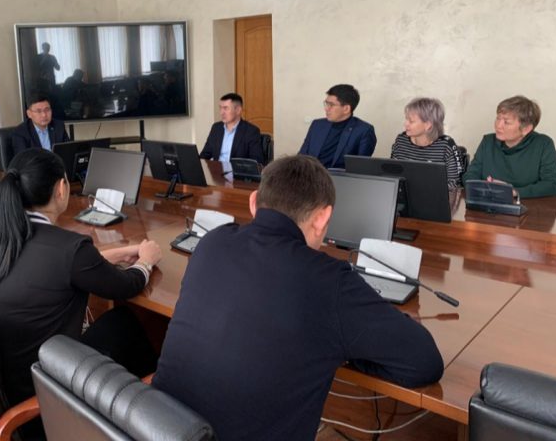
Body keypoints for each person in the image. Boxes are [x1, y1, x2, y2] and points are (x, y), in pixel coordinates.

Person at [153, 155, 443, 441]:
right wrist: (345, 348)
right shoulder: (330, 281)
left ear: (254, 202)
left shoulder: (211, 242)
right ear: (323, 217)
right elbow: (424, 362)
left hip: (158, 428)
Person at [0, 148, 161, 428]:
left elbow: (53, 266)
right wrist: (146, 261)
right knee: (123, 322)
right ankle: (150, 415)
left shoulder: (0, 238)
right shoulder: (69, 248)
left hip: (14, 382)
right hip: (49, 391)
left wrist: (112, 255)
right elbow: (127, 285)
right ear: (61, 188)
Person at [462, 95, 556, 199]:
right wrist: (484, 189)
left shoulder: (543, 144)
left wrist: (513, 192)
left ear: (526, 129)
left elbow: (552, 185)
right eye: (498, 118)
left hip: (530, 206)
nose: (498, 125)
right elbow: (470, 175)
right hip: (489, 202)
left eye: (506, 122)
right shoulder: (488, 142)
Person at [391, 97, 464, 189]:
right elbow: (392, 174)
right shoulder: (401, 140)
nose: (405, 124)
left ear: (428, 125)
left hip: (435, 195)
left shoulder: (446, 145)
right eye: (406, 119)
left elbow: (455, 183)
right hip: (404, 194)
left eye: (411, 121)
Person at [299, 84, 376, 169]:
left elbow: (360, 168)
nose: (326, 109)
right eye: (326, 103)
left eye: (331, 105)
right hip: (311, 174)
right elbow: (301, 157)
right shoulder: (317, 125)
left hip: (339, 177)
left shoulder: (364, 131)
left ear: (346, 109)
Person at [199, 93, 263, 164]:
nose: (222, 112)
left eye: (225, 108)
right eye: (220, 108)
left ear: (238, 110)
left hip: (237, 170)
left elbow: (256, 162)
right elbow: (205, 154)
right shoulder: (216, 128)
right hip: (217, 169)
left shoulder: (251, 131)